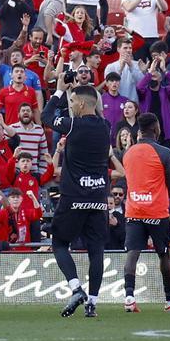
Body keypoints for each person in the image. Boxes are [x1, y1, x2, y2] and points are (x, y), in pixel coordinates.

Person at [43, 81, 112, 318]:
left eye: (73, 102)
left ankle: (75, 288)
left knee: (59, 243)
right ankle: (92, 303)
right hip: (99, 198)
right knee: (96, 251)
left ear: (81, 103)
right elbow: (98, 108)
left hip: (73, 198)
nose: (70, 105)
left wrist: (60, 90)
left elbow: (46, 115)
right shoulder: (106, 126)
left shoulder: (71, 125)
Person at [121, 113, 170, 313]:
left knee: (133, 253)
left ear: (140, 130)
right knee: (164, 254)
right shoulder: (164, 152)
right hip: (156, 211)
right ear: (156, 128)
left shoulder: (128, 153)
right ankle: (169, 301)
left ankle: (129, 298)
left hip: (134, 209)